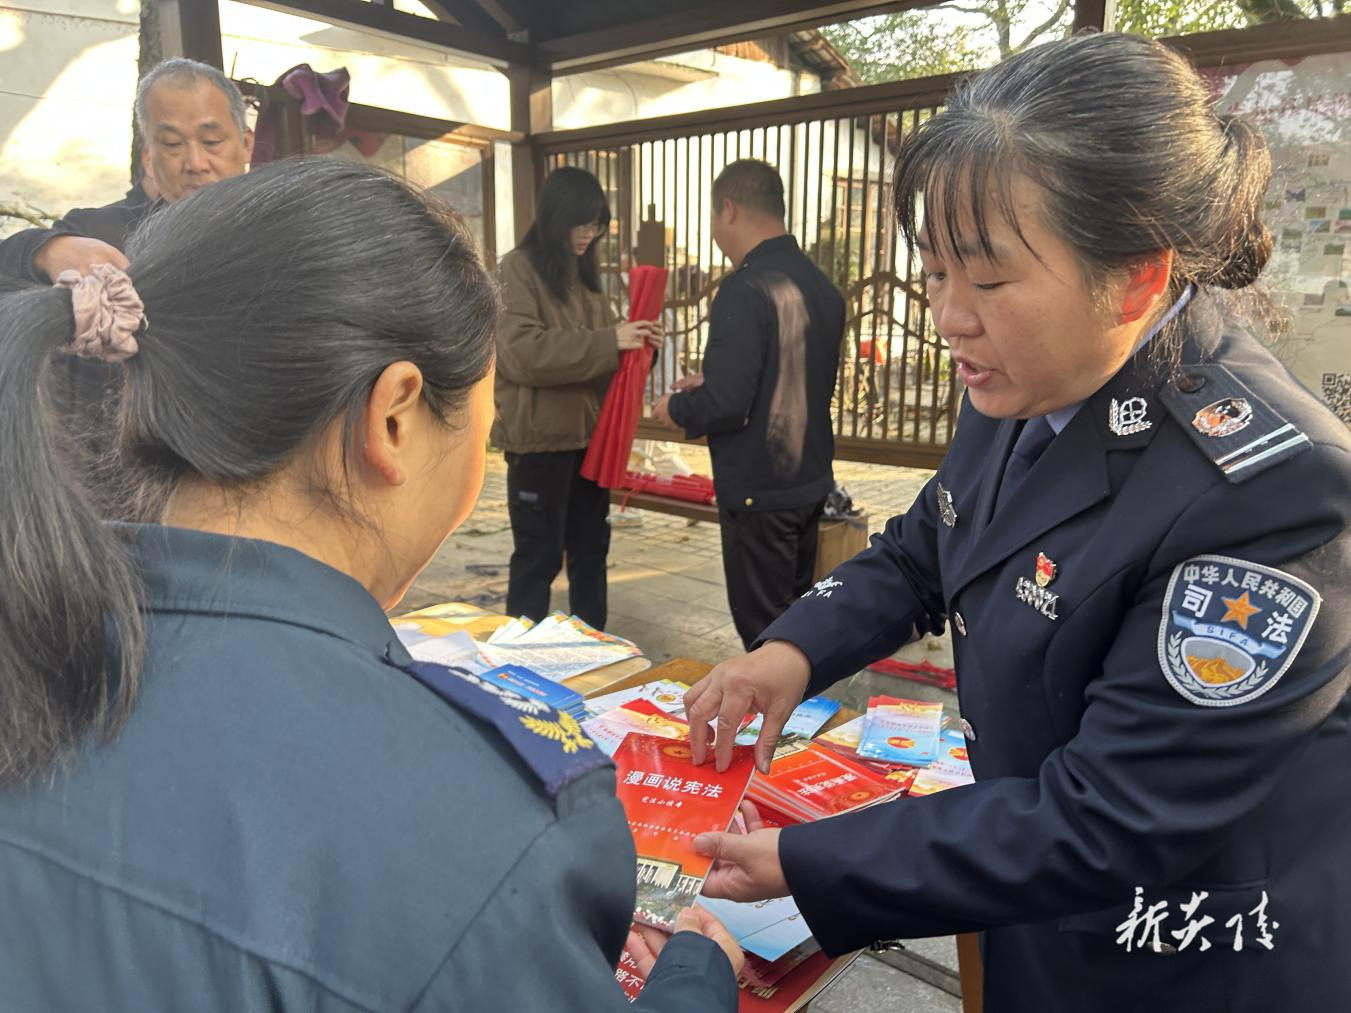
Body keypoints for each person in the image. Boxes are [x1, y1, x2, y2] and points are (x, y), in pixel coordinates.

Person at [683, 33, 1351, 1012]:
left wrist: (806, 856)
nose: (948, 315)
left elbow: (1108, 816)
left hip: (1179, 960)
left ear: (1136, 275)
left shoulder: (1271, 492)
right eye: (935, 269)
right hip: (1035, 912)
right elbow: (932, 538)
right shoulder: (1027, 372)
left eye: (986, 280)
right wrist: (786, 652)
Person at [0, 158, 740, 1011]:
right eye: (482, 413)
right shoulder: (482, 826)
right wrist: (694, 974)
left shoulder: (40, 644)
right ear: (395, 417)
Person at [653, 159, 844, 650]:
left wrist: (675, 409)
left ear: (729, 209)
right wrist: (712, 379)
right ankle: (800, 717)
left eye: (714, 218)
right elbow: (792, 376)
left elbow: (727, 405)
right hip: (807, 481)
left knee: (765, 637)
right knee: (797, 626)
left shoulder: (745, 288)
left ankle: (777, 726)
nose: (715, 231)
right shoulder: (821, 285)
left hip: (760, 491)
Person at [494, 166, 660, 630]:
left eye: (598, 225)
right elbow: (523, 353)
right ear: (556, 217)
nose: (591, 234)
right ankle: (519, 659)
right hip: (540, 445)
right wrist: (612, 341)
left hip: (590, 443)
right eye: (583, 223)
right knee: (538, 557)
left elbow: (606, 352)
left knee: (592, 552)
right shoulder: (517, 269)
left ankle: (593, 648)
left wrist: (640, 344)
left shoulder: (583, 277)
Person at [0, 57, 253, 284]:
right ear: (148, 160)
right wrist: (44, 253)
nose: (196, 164)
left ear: (246, 145)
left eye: (211, 142)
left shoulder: (282, 231)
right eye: (172, 144)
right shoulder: (100, 237)